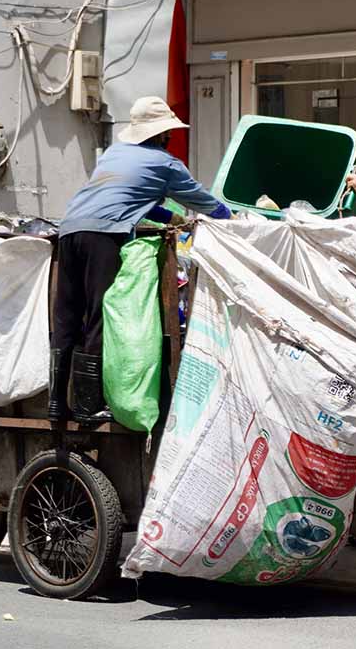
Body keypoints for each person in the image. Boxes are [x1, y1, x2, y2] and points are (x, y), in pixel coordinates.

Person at [51, 96, 231, 423]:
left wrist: (172, 219)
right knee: (99, 314)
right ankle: (89, 406)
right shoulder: (166, 164)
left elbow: (134, 201)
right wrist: (233, 219)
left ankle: (56, 403)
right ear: (163, 135)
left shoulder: (114, 154)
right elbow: (205, 203)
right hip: (103, 235)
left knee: (67, 316)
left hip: (70, 229)